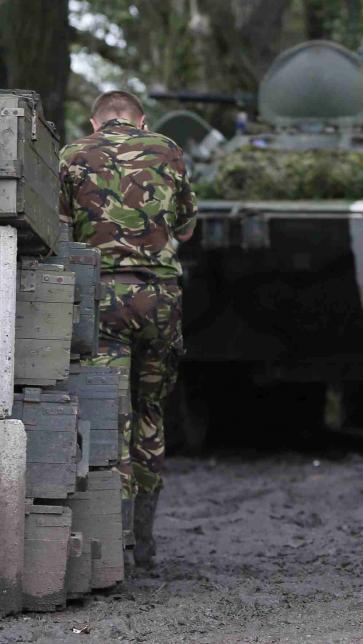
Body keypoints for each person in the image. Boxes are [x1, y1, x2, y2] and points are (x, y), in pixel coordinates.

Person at [59, 90, 197, 569]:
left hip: (101, 300)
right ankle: (144, 540)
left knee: (106, 412)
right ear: (142, 120)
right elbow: (186, 229)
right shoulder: (169, 150)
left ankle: (108, 542)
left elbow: (58, 230)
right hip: (160, 301)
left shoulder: (72, 155)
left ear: (94, 124)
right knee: (150, 413)